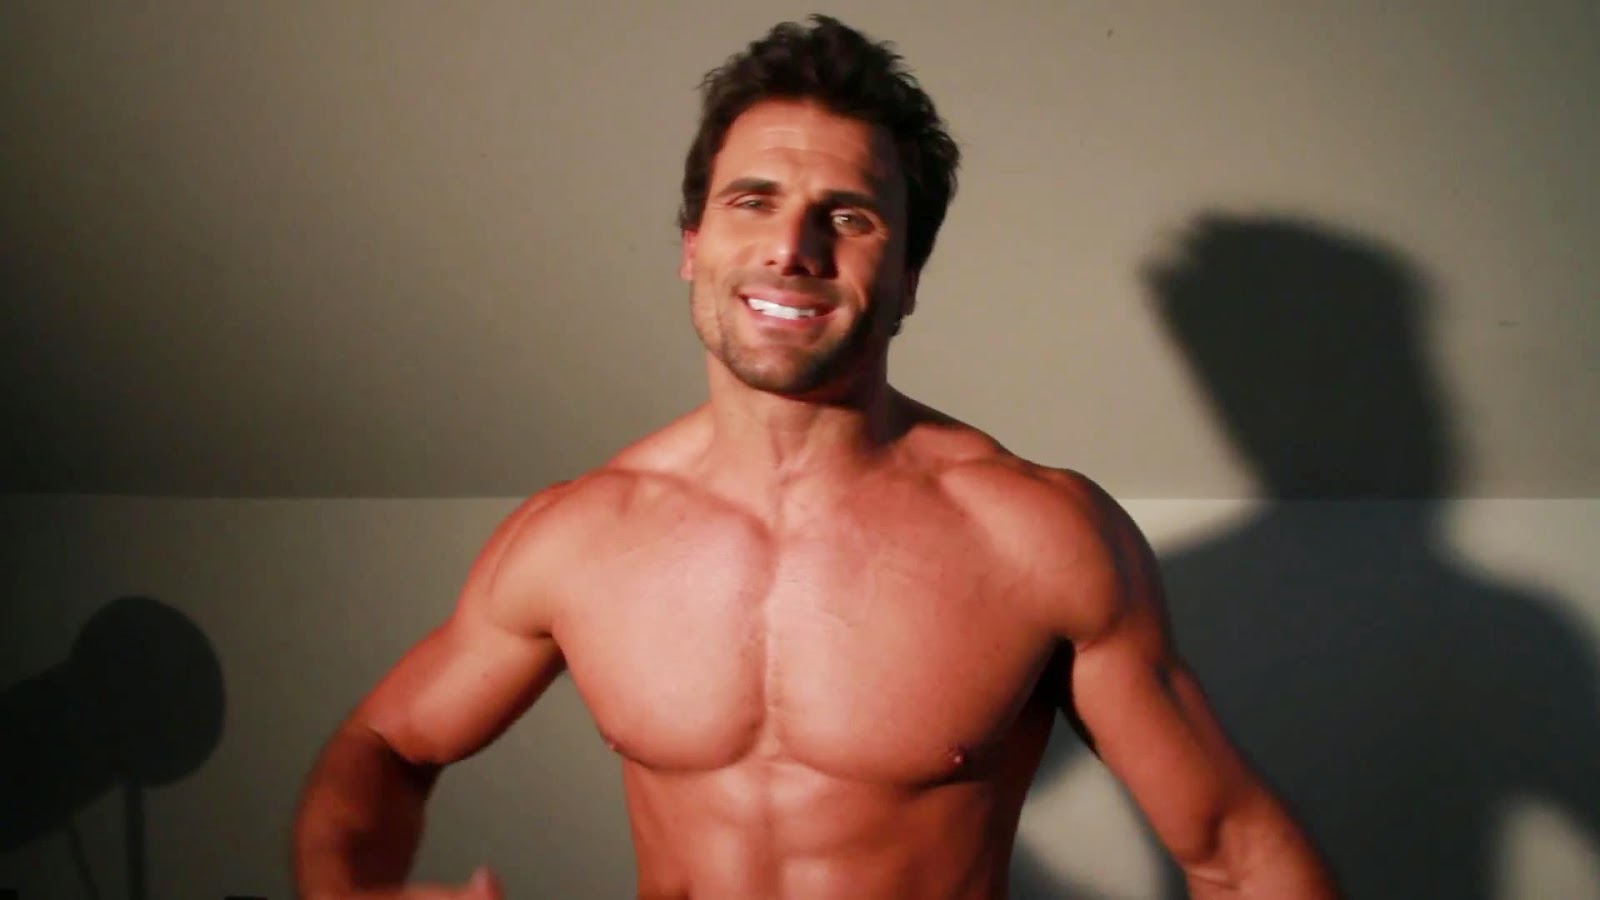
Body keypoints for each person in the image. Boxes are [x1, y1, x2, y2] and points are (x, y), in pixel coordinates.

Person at [292, 15, 1336, 900]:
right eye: (752, 202)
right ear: (692, 244)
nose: (793, 249)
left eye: (849, 216)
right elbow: (385, 747)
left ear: (909, 277)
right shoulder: (579, 537)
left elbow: (1236, 851)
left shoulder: (1037, 537)